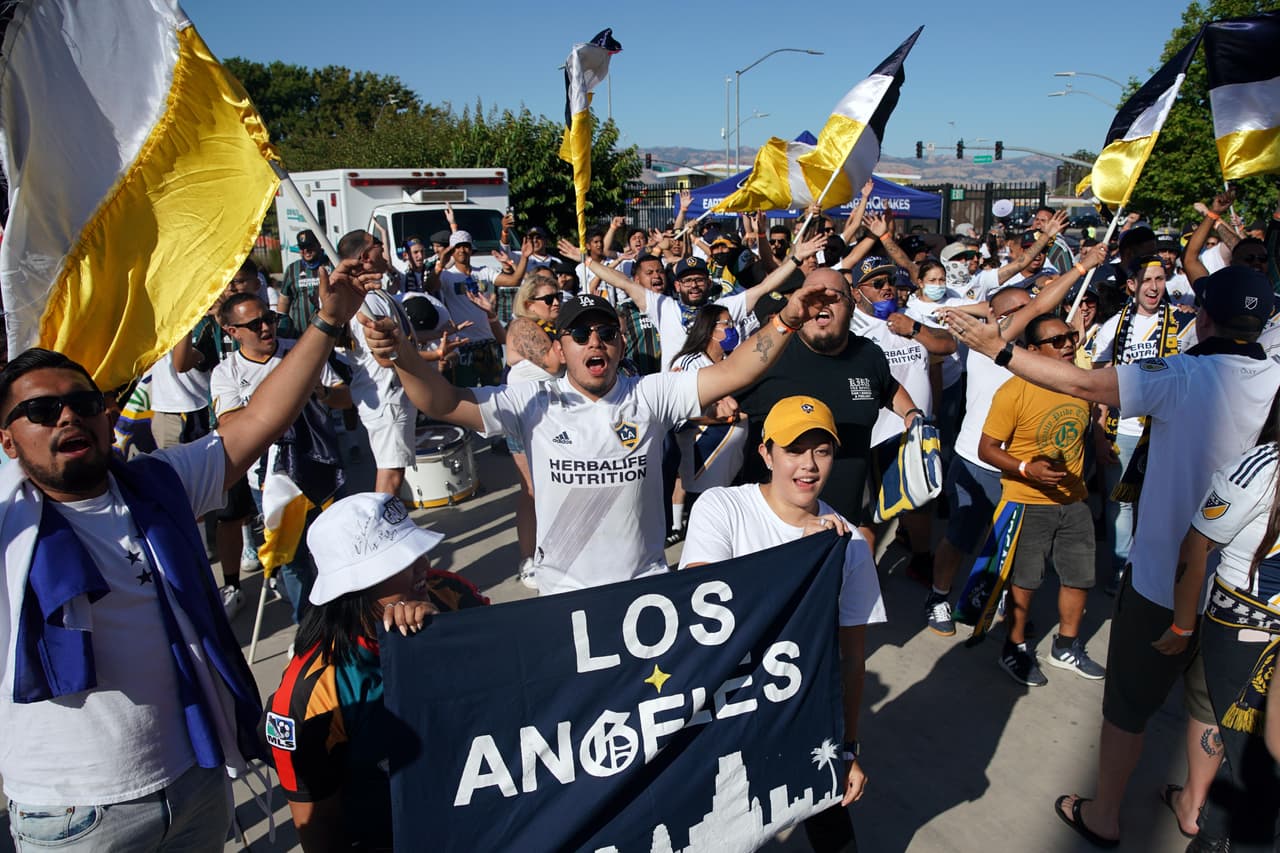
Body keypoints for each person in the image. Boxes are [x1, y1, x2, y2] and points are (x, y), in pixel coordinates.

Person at [0, 260, 372, 852]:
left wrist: (327, 321)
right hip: (76, 811)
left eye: (83, 401)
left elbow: (261, 419)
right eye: (41, 412)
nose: (67, 415)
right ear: (8, 439)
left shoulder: (159, 483)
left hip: (195, 780)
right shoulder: (9, 526)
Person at [939, 266, 1280, 850]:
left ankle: (1104, 814)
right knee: (1209, 703)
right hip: (1238, 591)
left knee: (1127, 704)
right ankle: (1195, 807)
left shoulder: (1184, 374)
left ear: (1203, 318)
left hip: (1162, 583)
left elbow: (1086, 385)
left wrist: (1000, 350)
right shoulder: (1273, 376)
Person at [358, 276, 844, 596]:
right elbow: (441, 401)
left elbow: (737, 371)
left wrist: (787, 320)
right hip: (562, 594)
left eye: (606, 332)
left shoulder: (651, 394)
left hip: (642, 589)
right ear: (559, 346)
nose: (595, 341)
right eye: (580, 333)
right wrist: (401, 355)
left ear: (621, 342)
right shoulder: (532, 400)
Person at [680, 395, 885, 853]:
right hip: (724, 717)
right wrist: (795, 562)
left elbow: (850, 658)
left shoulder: (849, 544)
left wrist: (848, 748)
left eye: (822, 450)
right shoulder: (722, 507)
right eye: (794, 449)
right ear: (766, 453)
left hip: (804, 717)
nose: (808, 465)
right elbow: (700, 610)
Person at [266, 491, 487, 852]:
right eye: (399, 560)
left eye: (417, 550)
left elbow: (514, 679)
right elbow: (318, 824)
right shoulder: (312, 692)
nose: (422, 567)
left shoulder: (450, 594)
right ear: (353, 587)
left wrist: (442, 639)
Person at [1155, 429, 1280, 850]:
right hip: (1244, 633)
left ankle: (1210, 835)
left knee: (1253, 767)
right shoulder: (1261, 468)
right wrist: (1183, 626)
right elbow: (1196, 546)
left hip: (1255, 633)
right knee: (1253, 766)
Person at [735, 266, 922, 534]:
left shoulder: (868, 355)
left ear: (852, 306)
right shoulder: (767, 355)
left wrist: (911, 414)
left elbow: (888, 388)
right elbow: (718, 394)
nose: (821, 304)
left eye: (833, 297)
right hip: (770, 529)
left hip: (842, 524)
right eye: (812, 297)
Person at [978, 314, 1104, 685]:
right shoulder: (1013, 392)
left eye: (1071, 337)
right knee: (1026, 581)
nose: (1068, 345)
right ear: (1032, 352)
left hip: (1074, 500)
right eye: (1057, 340)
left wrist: (1101, 448)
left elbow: (1088, 425)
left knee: (1079, 577)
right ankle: (1013, 648)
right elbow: (987, 449)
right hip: (1027, 501)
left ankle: (1066, 646)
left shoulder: (1081, 385)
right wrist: (1024, 468)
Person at [211, 292, 351, 623]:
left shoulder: (303, 350)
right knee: (294, 558)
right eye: (254, 324)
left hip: (322, 467)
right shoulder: (226, 372)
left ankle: (344, 622)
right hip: (272, 480)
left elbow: (346, 398)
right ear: (233, 331)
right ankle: (308, 627)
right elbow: (228, 425)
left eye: (269, 319)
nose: (265, 328)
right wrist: (277, 400)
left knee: (338, 548)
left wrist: (322, 393)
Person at [1091, 254, 1195, 593]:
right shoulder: (1114, 325)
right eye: (1147, 280)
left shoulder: (1182, 323)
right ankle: (1121, 566)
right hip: (1124, 430)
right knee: (1119, 502)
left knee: (1157, 499)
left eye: (1160, 280)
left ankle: (1151, 566)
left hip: (1166, 429)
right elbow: (1098, 375)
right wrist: (1099, 427)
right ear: (1132, 285)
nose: (1154, 287)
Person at [335, 230, 419, 497]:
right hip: (387, 398)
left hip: (391, 395)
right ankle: (381, 532)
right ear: (365, 257)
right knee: (391, 475)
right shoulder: (367, 301)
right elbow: (384, 357)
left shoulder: (375, 294)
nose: (383, 250)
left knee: (394, 471)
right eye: (378, 246)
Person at [504, 272, 566, 589]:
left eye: (559, 297)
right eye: (548, 299)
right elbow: (555, 363)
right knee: (531, 490)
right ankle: (528, 558)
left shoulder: (555, 327)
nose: (557, 302)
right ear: (529, 303)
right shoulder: (522, 326)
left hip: (556, 415)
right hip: (526, 417)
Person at [668, 304, 749, 526]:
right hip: (700, 457)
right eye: (727, 324)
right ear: (710, 329)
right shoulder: (689, 363)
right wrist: (720, 417)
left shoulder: (729, 361)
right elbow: (677, 412)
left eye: (733, 324)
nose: (732, 329)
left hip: (730, 464)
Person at [433, 230, 530, 388]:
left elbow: (514, 280)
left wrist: (524, 257)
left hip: (488, 345)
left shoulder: (484, 272)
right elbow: (429, 286)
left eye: (466, 246)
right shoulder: (446, 276)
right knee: (466, 394)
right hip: (463, 346)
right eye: (457, 247)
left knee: (497, 391)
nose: (462, 250)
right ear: (451, 251)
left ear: (471, 249)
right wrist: (440, 265)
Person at [279, 229, 334, 337]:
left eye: (310, 246)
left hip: (329, 332)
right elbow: (284, 300)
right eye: (302, 248)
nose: (306, 251)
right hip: (300, 333)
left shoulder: (332, 265)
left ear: (319, 244)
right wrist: (281, 325)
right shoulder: (292, 269)